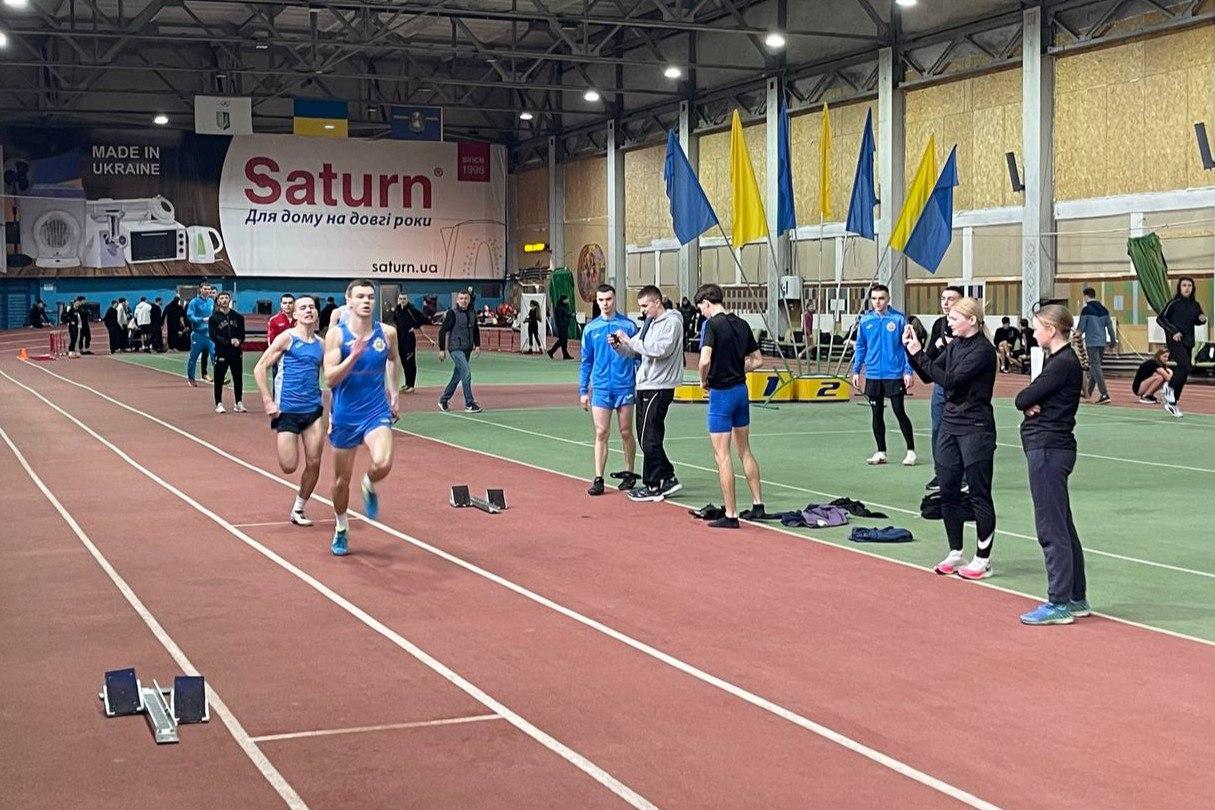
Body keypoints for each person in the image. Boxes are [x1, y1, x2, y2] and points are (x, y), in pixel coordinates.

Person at [904, 297, 997, 580]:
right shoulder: (955, 345)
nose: (950, 322)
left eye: (955, 318)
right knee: (948, 491)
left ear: (971, 320)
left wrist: (920, 354)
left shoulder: (983, 351)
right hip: (950, 425)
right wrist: (912, 351)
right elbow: (928, 374)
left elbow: (951, 380)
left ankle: (983, 559)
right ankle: (956, 551)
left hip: (976, 428)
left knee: (979, 494)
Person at [1013, 304, 1088, 625]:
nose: (1032, 333)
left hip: (1048, 450)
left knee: (1051, 528)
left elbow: (1022, 398)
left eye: (1036, 327)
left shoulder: (1062, 364)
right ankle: (1076, 597)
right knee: (1063, 525)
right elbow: (1030, 398)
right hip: (1051, 448)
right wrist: (1031, 400)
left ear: (1051, 329)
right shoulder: (1060, 360)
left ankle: (1059, 602)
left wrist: (1029, 401)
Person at [323, 279, 401, 556]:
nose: (366, 301)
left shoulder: (387, 333)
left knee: (383, 462)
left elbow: (393, 359)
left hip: (375, 411)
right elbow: (329, 378)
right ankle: (341, 526)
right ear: (349, 301)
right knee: (340, 482)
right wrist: (352, 357)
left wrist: (394, 393)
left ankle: (368, 482)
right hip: (345, 415)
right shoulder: (336, 335)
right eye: (360, 296)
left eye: (370, 296)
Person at [695, 283, 766, 528]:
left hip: (722, 395)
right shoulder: (742, 324)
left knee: (722, 455)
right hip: (740, 391)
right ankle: (758, 504)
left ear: (706, 303)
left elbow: (704, 360)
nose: (702, 313)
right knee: (744, 450)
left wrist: (703, 379)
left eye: (701, 308)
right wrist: (738, 367)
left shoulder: (711, 326)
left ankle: (731, 514)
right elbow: (757, 360)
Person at [253, 294, 326, 527]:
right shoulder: (287, 338)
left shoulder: (321, 345)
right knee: (289, 466)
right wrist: (268, 400)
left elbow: (332, 378)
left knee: (314, 462)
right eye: (303, 308)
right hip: (286, 410)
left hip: (313, 410)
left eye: (312, 307)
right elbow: (259, 368)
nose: (308, 310)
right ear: (294, 314)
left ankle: (299, 508)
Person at [609, 285, 684, 502]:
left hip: (659, 386)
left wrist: (629, 339)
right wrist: (619, 345)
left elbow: (659, 350)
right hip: (645, 385)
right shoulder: (650, 323)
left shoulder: (672, 323)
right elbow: (636, 350)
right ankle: (667, 476)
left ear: (656, 302)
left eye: (644, 306)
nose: (642, 310)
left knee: (649, 438)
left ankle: (653, 485)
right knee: (646, 437)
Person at [579, 284, 639, 495]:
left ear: (615, 299)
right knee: (601, 432)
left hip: (625, 386)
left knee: (626, 431)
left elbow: (638, 355)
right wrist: (583, 391)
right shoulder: (591, 329)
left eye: (608, 299)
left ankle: (629, 472)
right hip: (601, 387)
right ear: (597, 301)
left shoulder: (628, 326)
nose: (605, 304)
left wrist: (637, 379)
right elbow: (586, 361)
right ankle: (598, 478)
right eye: (601, 300)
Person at [850, 284, 916, 467]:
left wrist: (908, 371)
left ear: (888, 299)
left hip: (894, 374)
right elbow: (861, 346)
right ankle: (881, 451)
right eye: (874, 299)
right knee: (876, 414)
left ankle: (911, 451)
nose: (877, 302)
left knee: (899, 412)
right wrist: (856, 370)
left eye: (881, 298)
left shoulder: (898, 319)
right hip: (873, 374)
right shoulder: (866, 320)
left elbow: (906, 347)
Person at [923, 286, 963, 491]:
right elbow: (929, 356)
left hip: (961, 384)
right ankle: (941, 473)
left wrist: (952, 344)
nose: (946, 303)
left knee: (962, 431)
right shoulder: (939, 324)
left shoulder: (969, 325)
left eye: (951, 299)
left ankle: (963, 476)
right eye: (943, 299)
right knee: (938, 428)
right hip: (941, 384)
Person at [1156, 276, 1207, 418]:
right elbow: (1160, 319)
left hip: (1188, 341)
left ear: (1193, 288)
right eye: (1184, 285)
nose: (1187, 288)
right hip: (1175, 341)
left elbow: (1196, 320)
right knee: (1184, 366)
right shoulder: (1173, 303)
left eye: (1189, 285)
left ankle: (1172, 402)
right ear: (1179, 287)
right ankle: (1169, 388)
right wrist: (1173, 331)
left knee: (1184, 372)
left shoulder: (1195, 305)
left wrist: (1202, 320)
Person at [437, 290, 483, 413]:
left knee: (457, 376)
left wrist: (477, 345)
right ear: (457, 300)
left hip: (467, 348)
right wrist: (442, 349)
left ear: (469, 300)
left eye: (466, 298)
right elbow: (442, 331)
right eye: (461, 298)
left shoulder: (472, 313)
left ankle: (443, 400)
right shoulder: (452, 313)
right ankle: (469, 403)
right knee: (466, 373)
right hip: (455, 348)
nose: (464, 301)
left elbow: (475, 329)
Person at [208, 291, 247, 414]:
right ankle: (219, 403)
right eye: (222, 298)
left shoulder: (238, 317)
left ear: (230, 300)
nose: (224, 300)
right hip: (221, 352)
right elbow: (213, 336)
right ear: (218, 301)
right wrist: (229, 342)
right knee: (219, 378)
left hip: (236, 352)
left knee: (238, 378)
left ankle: (238, 402)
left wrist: (239, 340)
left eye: (226, 298)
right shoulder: (213, 318)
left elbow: (242, 334)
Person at [1077, 287, 1116, 404]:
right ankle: (1088, 392)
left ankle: (1104, 393)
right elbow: (1110, 328)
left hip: (1092, 343)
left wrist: (1076, 336)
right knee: (1095, 367)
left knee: (1095, 366)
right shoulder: (1104, 310)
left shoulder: (1086, 310)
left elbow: (1081, 328)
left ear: (1085, 296)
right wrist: (1112, 343)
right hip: (1102, 343)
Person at [391, 292, 424, 391]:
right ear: (398, 300)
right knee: (404, 361)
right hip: (400, 338)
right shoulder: (397, 310)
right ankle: (407, 383)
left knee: (410, 362)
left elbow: (423, 319)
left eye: (404, 299)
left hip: (409, 339)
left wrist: (414, 327)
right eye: (400, 299)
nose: (402, 301)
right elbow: (395, 321)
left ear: (407, 300)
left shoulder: (411, 310)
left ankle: (411, 385)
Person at [186, 283, 215, 385]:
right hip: (198, 334)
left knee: (215, 355)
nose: (207, 291)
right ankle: (191, 378)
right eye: (205, 289)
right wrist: (202, 319)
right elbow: (190, 316)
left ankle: (220, 377)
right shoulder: (194, 302)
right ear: (200, 290)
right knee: (193, 357)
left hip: (210, 334)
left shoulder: (211, 301)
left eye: (209, 289)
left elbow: (214, 315)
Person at [547, 295, 573, 359]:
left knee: (564, 341)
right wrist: (563, 324)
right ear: (563, 300)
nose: (568, 300)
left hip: (564, 326)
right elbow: (560, 317)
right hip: (561, 326)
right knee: (562, 340)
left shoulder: (564, 307)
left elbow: (565, 315)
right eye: (567, 299)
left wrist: (570, 315)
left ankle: (565, 354)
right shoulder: (559, 307)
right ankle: (551, 351)